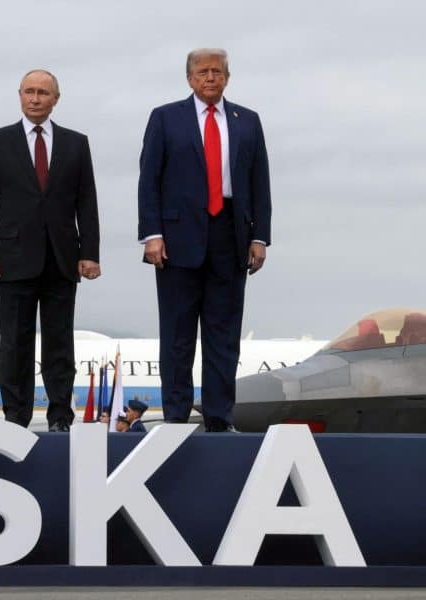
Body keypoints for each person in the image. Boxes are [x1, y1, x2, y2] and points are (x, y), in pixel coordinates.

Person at [138, 48, 271, 432]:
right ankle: (176, 416)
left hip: (231, 235)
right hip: (177, 240)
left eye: (217, 71)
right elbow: (149, 180)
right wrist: (152, 235)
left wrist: (259, 236)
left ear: (228, 77)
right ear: (189, 78)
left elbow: (259, 182)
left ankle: (218, 416)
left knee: (224, 336)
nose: (210, 77)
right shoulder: (165, 118)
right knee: (178, 336)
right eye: (202, 72)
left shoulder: (247, 121)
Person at [0, 69, 101, 433]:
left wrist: (89, 252)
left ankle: (61, 415)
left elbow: (86, 202)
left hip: (62, 257)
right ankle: (15, 416)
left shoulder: (76, 144)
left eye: (43, 93)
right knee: (15, 342)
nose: (35, 98)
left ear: (55, 99)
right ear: (19, 95)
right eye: (29, 92)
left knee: (60, 342)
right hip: (12, 259)